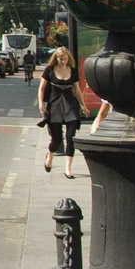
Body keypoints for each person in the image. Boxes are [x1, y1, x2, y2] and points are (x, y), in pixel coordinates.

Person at [38, 45, 85, 179]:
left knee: (70, 137)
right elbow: (41, 89)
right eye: (61, 59)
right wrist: (41, 104)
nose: (63, 61)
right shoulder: (49, 70)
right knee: (56, 141)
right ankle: (50, 156)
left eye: (65, 59)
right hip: (55, 107)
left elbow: (77, 90)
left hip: (70, 106)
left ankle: (68, 169)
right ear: (56, 58)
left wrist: (84, 106)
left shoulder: (73, 71)